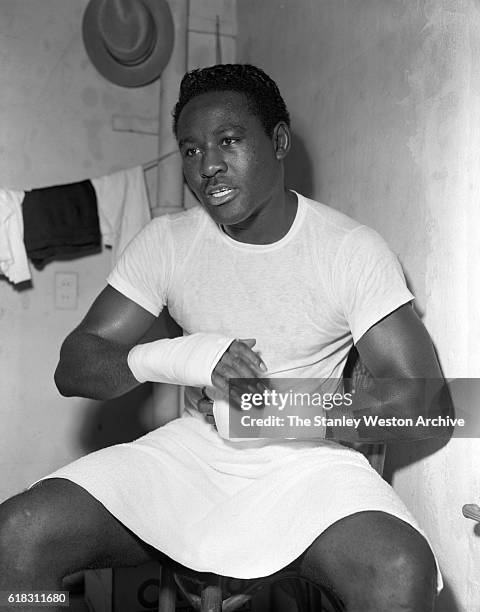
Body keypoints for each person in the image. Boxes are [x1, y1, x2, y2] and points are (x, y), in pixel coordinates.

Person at [0, 64, 450, 611]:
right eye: (190, 150)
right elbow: (74, 367)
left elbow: (426, 402)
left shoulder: (349, 249)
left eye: (228, 141)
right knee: (17, 533)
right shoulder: (167, 241)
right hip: (193, 451)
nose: (208, 165)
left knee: (401, 567)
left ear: (279, 141)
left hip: (303, 463)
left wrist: (273, 411)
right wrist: (186, 357)